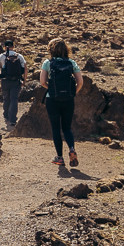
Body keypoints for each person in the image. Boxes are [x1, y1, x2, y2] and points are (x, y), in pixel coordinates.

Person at [39, 38, 84, 167]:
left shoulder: (48, 62)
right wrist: (72, 92)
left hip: (52, 99)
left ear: (51, 49)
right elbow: (80, 82)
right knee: (67, 127)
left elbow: (42, 82)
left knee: (55, 128)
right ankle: (71, 149)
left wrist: (52, 89)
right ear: (66, 49)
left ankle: (59, 157)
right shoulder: (71, 63)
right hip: (68, 100)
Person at [0, 37, 26, 129]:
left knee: (6, 99)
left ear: (4, 47)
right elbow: (25, 69)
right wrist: (24, 80)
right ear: (13, 46)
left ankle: (6, 116)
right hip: (16, 81)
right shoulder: (19, 56)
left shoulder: (1, 56)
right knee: (14, 99)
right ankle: (13, 120)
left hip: (5, 81)